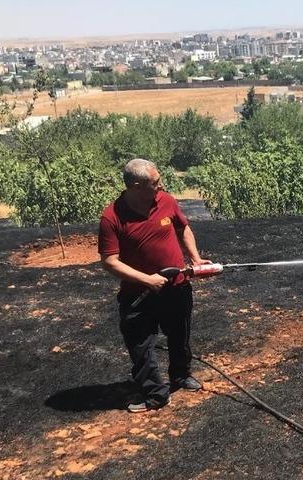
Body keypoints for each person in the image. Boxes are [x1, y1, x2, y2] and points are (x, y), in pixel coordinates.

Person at [98, 158, 212, 413]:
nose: (161, 185)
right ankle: (155, 394)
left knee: (180, 335)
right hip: (138, 294)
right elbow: (109, 262)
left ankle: (180, 376)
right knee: (140, 344)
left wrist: (195, 258)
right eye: (156, 182)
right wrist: (147, 279)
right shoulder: (112, 217)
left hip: (176, 287)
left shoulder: (166, 201)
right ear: (137, 186)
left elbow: (183, 229)